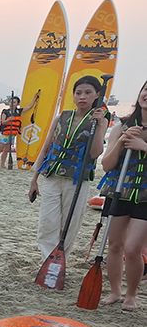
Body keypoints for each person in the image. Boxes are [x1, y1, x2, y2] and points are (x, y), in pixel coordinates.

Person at [29, 75, 108, 261]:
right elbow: (46, 147)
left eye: (88, 92)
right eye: (78, 92)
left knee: (70, 224)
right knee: (48, 222)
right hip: (52, 175)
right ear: (73, 96)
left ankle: (61, 259)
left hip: (77, 179)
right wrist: (34, 179)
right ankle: (48, 261)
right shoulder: (62, 117)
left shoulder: (99, 121)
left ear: (97, 95)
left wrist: (100, 125)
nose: (82, 96)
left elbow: (96, 153)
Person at [99, 80, 147, 310]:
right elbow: (107, 165)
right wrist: (121, 140)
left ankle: (131, 295)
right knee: (115, 245)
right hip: (121, 192)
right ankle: (115, 292)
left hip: (145, 198)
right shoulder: (122, 125)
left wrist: (143, 145)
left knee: (132, 248)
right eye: (146, 89)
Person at [0, 94, 38, 169]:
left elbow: (29, 106)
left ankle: (2, 164)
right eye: (10, 102)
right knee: (0, 149)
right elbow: (3, 122)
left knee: (6, 150)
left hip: (12, 134)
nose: (11, 104)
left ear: (18, 104)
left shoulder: (18, 111)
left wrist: (35, 98)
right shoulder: (5, 112)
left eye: (14, 102)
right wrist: (9, 120)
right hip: (4, 133)